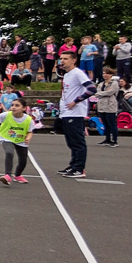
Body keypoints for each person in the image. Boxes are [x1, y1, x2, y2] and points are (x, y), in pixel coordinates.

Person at [57, 49, 95, 179]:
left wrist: (76, 101)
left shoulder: (78, 73)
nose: (62, 61)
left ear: (73, 60)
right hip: (66, 112)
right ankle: (73, 164)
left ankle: (79, 168)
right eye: (61, 58)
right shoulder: (67, 74)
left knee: (78, 142)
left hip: (75, 112)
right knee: (71, 141)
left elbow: (91, 89)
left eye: (66, 59)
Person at [94, 68, 120, 147]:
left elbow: (111, 92)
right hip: (101, 105)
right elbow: (97, 92)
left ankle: (114, 140)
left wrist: (101, 93)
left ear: (111, 75)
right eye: (104, 73)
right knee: (105, 124)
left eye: (107, 73)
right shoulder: (101, 84)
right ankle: (107, 139)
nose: (105, 75)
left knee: (112, 124)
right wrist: (101, 93)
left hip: (110, 105)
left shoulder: (114, 83)